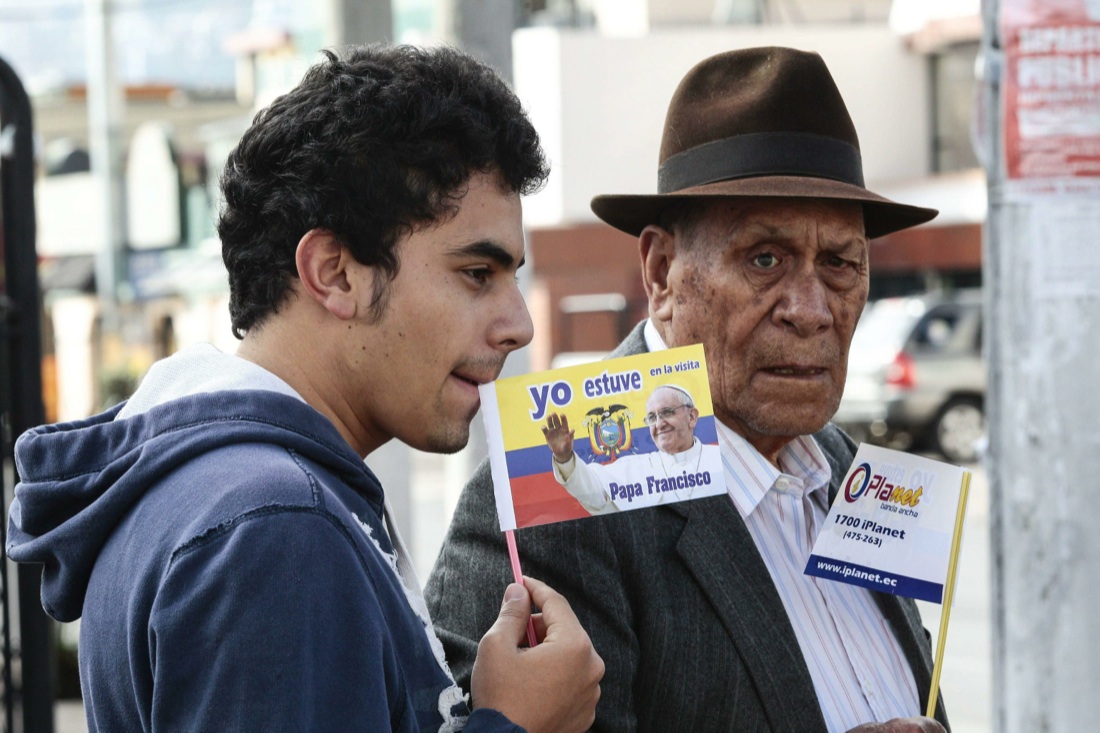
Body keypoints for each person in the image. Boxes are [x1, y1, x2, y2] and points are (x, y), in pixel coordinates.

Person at [7, 45, 603, 732]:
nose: (519, 325)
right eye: (477, 273)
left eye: (513, 277)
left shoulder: (229, 494)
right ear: (334, 273)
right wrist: (518, 724)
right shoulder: (274, 526)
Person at [426, 47, 950, 732]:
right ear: (663, 270)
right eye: (765, 259)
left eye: (840, 264)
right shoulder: (552, 500)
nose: (812, 308)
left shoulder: (851, 473)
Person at [542, 385, 721, 514]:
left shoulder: (718, 459)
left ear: (692, 417)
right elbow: (595, 490)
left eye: (667, 412)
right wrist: (564, 458)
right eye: (652, 417)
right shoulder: (635, 468)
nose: (659, 424)